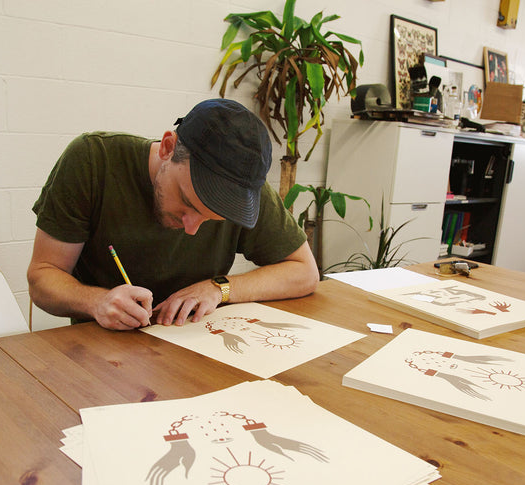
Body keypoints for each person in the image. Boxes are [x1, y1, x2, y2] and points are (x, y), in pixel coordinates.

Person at [27, 98, 319, 330]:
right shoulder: (93, 161)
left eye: (211, 218)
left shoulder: (241, 193)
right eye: (187, 202)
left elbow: (305, 272)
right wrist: (97, 302)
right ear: (168, 147)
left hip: (196, 347)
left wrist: (219, 288)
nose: (191, 228)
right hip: (104, 355)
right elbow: (42, 277)